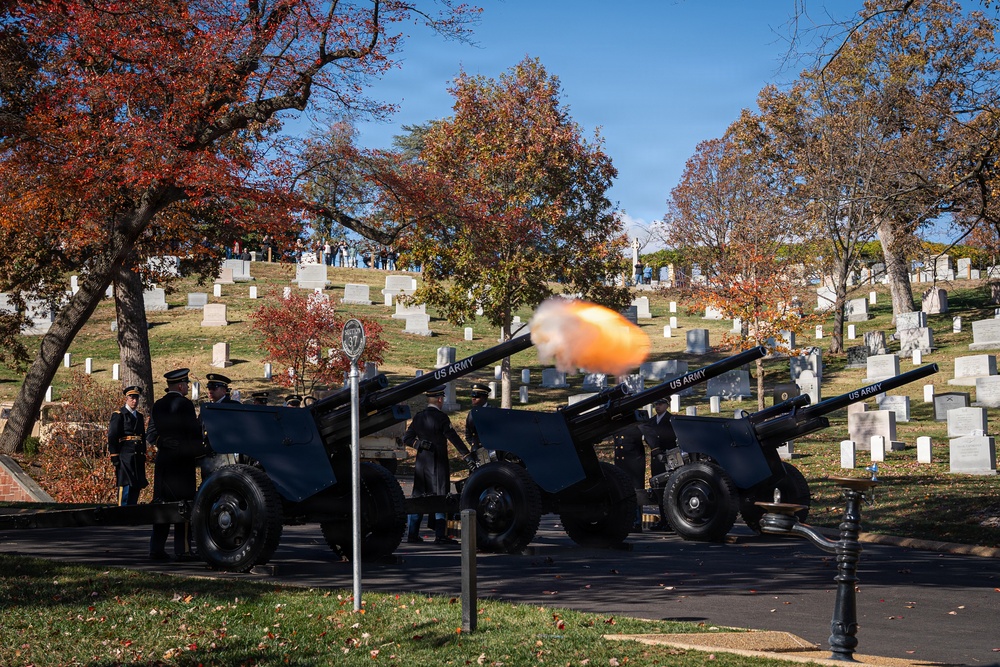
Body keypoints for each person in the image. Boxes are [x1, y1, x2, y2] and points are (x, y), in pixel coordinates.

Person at [401, 386, 475, 545]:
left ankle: (412, 534)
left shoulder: (419, 417)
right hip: (438, 464)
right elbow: (454, 438)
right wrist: (467, 455)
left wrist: (419, 444)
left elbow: (407, 438)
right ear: (440, 399)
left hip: (421, 465)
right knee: (441, 497)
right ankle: (440, 535)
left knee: (418, 497)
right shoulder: (442, 418)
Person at [148, 368, 206, 562]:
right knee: (184, 506)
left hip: (164, 462)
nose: (188, 387)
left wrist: (161, 442)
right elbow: (193, 432)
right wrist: (201, 450)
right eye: (186, 384)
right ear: (181, 385)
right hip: (182, 462)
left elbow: (152, 434)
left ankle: (156, 548)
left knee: (162, 505)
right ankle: (184, 549)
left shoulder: (158, 405)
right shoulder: (185, 405)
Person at [639, 397, 677, 531]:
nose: (658, 406)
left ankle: (671, 521)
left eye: (661, 403)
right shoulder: (651, 421)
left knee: (669, 489)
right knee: (659, 489)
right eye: (656, 403)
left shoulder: (672, 420)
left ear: (667, 405)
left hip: (668, 457)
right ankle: (663, 520)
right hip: (656, 459)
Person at [107, 385, 148, 506]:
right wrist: (114, 455)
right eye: (132, 398)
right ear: (126, 398)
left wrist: (144, 453)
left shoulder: (139, 416)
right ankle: (122, 513)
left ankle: (132, 513)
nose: (134, 401)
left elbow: (142, 436)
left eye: (136, 398)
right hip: (125, 456)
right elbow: (112, 436)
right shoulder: (119, 414)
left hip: (137, 456)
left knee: (136, 485)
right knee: (126, 486)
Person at [613, 423, 646, 532]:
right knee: (623, 493)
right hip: (622, 465)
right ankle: (627, 521)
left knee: (635, 493)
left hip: (634, 465)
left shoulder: (637, 427)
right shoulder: (617, 427)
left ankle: (636, 522)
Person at [464, 382, 491, 450]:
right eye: (472, 396)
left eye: (476, 396)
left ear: (485, 397)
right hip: (476, 449)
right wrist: (475, 445)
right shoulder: (471, 413)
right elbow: (468, 434)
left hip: (491, 450)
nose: (473, 398)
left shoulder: (494, 412)